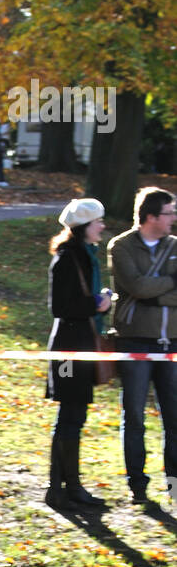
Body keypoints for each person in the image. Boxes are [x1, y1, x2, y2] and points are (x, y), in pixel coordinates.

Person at [107, 187, 177, 502]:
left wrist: (154, 292)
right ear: (151, 216)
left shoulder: (175, 246)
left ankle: (175, 485)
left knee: (174, 417)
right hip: (134, 341)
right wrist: (171, 283)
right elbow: (135, 286)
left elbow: (146, 290)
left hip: (172, 343)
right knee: (134, 414)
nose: (174, 219)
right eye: (169, 213)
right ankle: (138, 485)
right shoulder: (120, 246)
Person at [44, 198, 113, 511]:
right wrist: (95, 305)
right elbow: (60, 307)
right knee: (70, 417)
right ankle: (61, 489)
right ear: (85, 225)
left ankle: (68, 487)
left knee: (74, 416)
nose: (102, 226)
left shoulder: (84, 256)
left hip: (80, 345)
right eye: (98, 221)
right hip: (70, 351)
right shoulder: (69, 258)